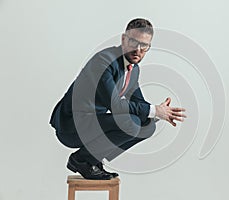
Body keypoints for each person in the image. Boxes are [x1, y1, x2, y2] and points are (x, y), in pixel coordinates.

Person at [49, 18, 186, 180]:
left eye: (144, 46)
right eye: (134, 42)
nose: (138, 50)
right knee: (131, 122)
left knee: (147, 126)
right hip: (72, 126)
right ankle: (81, 159)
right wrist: (154, 110)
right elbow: (115, 105)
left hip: (93, 123)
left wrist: (159, 112)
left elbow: (139, 102)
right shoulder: (104, 61)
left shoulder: (133, 69)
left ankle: (93, 159)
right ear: (123, 39)